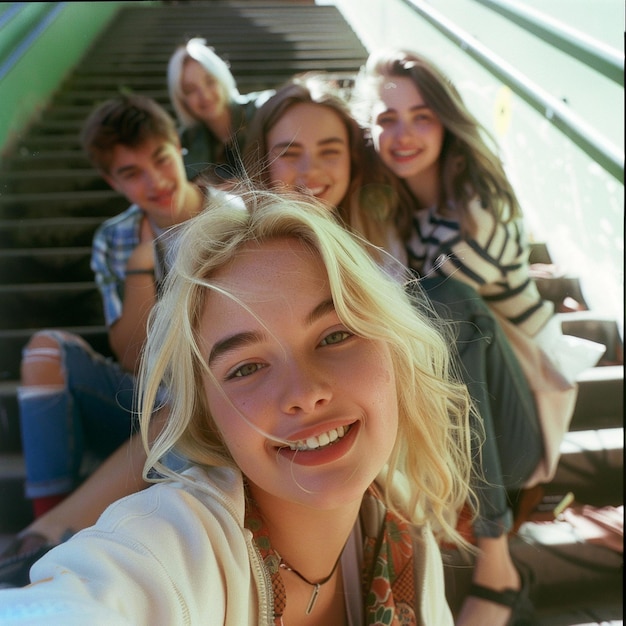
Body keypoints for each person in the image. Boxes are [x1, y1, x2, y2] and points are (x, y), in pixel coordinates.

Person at [0, 189, 474, 624]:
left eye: (336, 335)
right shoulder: (173, 547)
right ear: (209, 417)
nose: (304, 393)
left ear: (393, 350)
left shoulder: (411, 546)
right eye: (246, 368)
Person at [247, 74, 543, 625]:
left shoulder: (381, 235)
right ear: (260, 161)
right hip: (388, 451)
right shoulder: (250, 260)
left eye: (328, 151)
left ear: (353, 165)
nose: (310, 171)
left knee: (447, 305)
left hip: (496, 435)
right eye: (289, 153)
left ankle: (496, 560)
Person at [352, 48, 595, 626]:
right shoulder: (408, 207)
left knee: (441, 305)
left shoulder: (481, 205)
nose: (403, 134)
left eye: (421, 116)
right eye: (387, 119)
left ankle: (497, 555)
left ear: (445, 120)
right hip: (466, 410)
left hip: (521, 417)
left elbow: (422, 315)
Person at [0, 94, 205, 585]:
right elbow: (135, 356)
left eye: (160, 159)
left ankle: (46, 540)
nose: (154, 181)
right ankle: (46, 515)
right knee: (46, 349)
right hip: (143, 398)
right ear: (113, 182)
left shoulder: (234, 214)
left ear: (178, 146)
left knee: (185, 402)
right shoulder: (114, 239)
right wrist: (140, 263)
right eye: (131, 173)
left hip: (213, 403)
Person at [168, 37, 274, 181]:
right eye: (190, 90)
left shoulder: (263, 109)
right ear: (182, 100)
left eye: (210, 81)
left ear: (221, 77)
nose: (204, 95)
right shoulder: (186, 144)